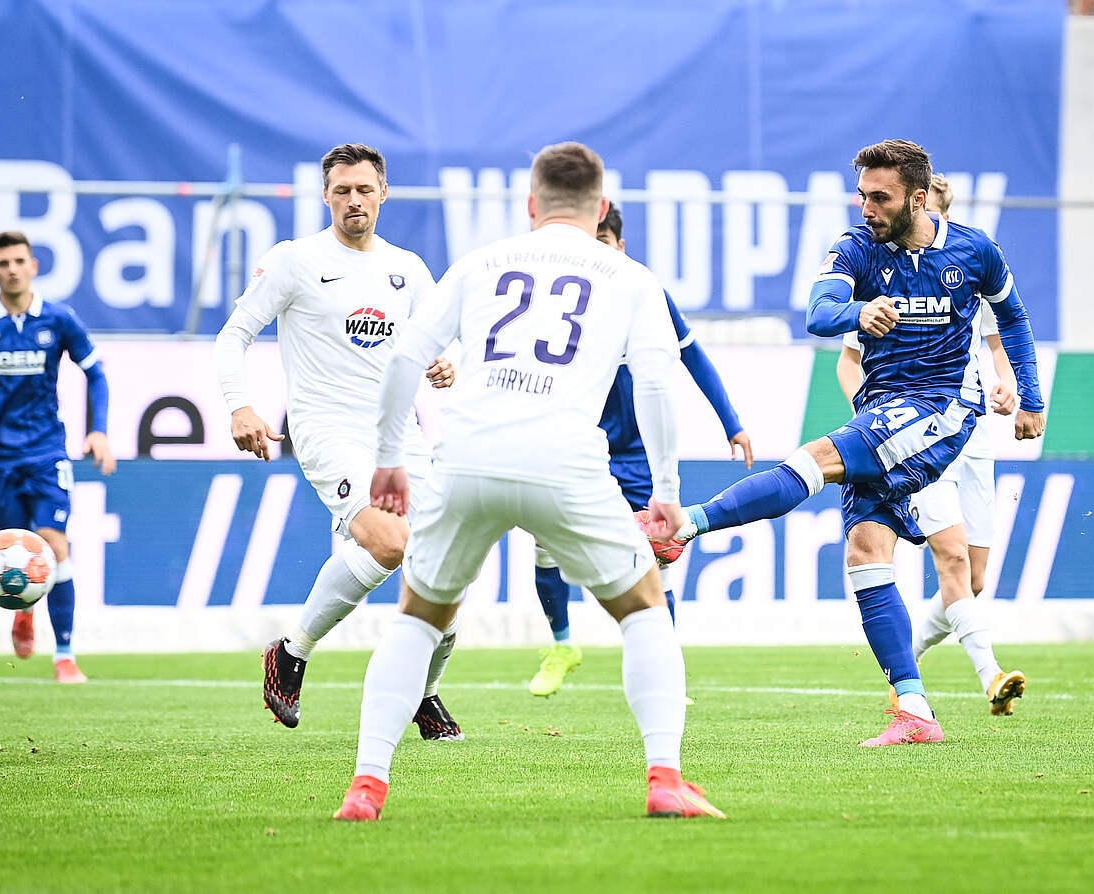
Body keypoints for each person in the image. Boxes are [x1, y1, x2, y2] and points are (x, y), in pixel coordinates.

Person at [334, 142, 723, 821]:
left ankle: (366, 787)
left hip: (466, 455)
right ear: (601, 208)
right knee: (643, 609)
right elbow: (657, 383)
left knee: (418, 618)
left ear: (530, 205)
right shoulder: (631, 277)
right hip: (564, 459)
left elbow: (405, 358)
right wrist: (665, 491)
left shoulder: (481, 262)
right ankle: (664, 778)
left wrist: (390, 456)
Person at [656, 140, 1046, 745]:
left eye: (880, 197)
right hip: (881, 407)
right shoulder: (857, 246)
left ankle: (685, 525)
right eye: (862, 195)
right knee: (865, 555)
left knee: (815, 459)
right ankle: (915, 712)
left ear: (918, 198)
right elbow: (819, 311)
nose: (867, 208)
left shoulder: (975, 251)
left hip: (941, 409)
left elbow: (1012, 318)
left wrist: (1031, 397)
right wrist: (857, 313)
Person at [214, 144, 463, 740]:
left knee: (446, 567)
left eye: (364, 189)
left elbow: (439, 338)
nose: (354, 200)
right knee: (390, 542)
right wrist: (240, 405)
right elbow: (233, 335)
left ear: (383, 194)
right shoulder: (295, 261)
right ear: (326, 196)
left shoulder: (407, 268)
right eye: (342, 190)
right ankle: (291, 652)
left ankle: (424, 693)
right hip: (328, 431)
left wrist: (444, 361)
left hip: (399, 436)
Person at [528, 203, 753, 697]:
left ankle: (664, 672)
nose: (596, 253)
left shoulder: (645, 291)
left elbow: (694, 356)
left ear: (621, 245)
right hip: (579, 446)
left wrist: (732, 423)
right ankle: (562, 645)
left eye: (604, 243)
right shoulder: (564, 295)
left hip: (637, 456)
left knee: (657, 559)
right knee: (545, 545)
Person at [836, 175, 1027, 716]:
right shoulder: (880, 275)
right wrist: (875, 417)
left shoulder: (968, 270)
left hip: (974, 435)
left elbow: (1000, 341)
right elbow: (848, 360)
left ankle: (907, 662)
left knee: (973, 579)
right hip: (918, 436)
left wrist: (1009, 383)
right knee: (952, 559)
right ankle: (991, 677)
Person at [0, 230, 116, 684]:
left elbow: (96, 374)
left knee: (54, 542)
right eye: (4, 263)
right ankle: (25, 610)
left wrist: (99, 430)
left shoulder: (59, 319)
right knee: (15, 545)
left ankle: (65, 656)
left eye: (19, 261)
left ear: (33, 266)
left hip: (46, 450)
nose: (12, 270)